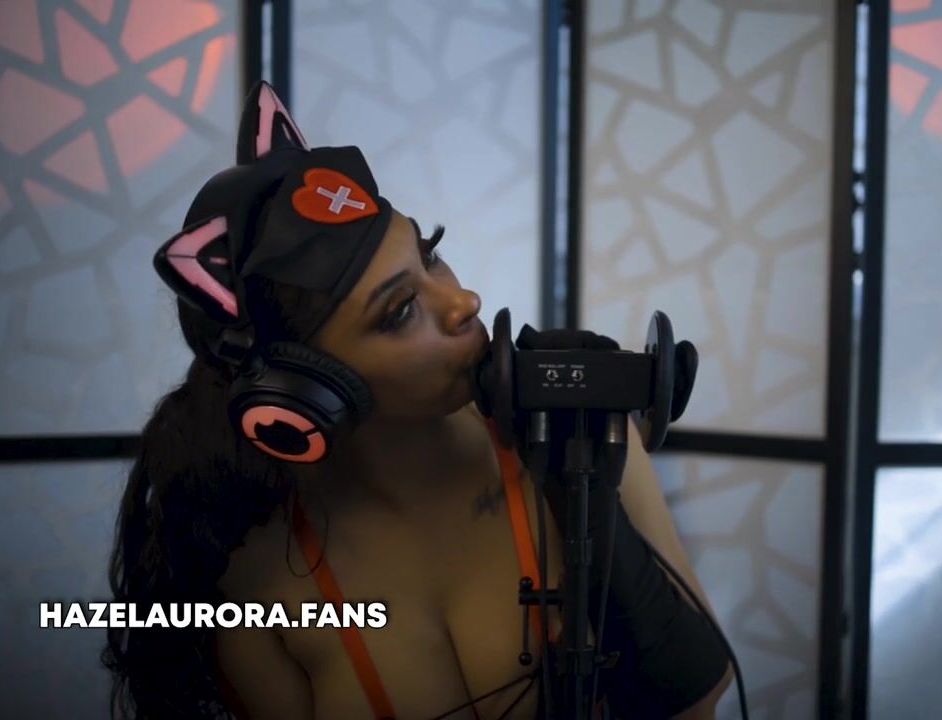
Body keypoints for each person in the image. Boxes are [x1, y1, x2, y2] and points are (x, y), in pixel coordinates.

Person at [102, 81, 733, 720]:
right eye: (401, 309)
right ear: (304, 393)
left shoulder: (589, 442)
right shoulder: (259, 577)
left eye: (429, 255)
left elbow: (701, 706)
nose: (464, 302)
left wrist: (588, 504)